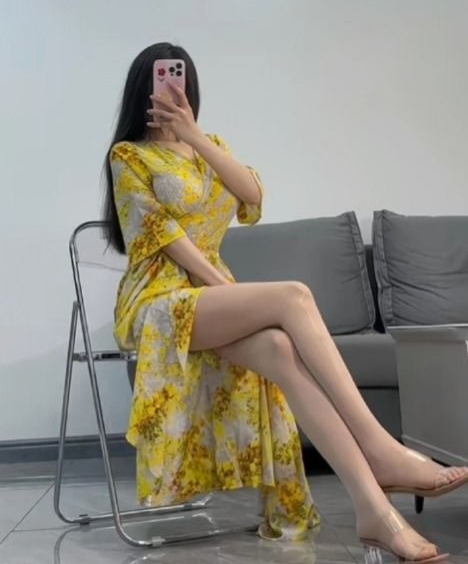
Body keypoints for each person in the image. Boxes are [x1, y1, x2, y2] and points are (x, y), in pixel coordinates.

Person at [102, 42, 468, 559]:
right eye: (160, 81)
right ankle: (381, 447)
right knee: (294, 296)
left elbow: (251, 197)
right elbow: (166, 238)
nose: (170, 90)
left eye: (179, 80)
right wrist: (228, 291)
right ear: (144, 90)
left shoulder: (209, 145)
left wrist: (194, 135)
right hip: (160, 299)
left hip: (210, 296)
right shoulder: (127, 156)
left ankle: (375, 513)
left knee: (279, 349)